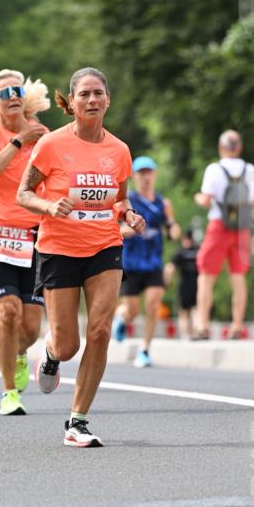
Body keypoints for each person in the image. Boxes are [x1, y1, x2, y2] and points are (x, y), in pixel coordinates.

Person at [17, 66, 145, 447]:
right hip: (58, 249)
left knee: (101, 330)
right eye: (84, 94)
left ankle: (77, 421)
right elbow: (23, 193)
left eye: (98, 94)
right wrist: (47, 205)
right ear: (70, 103)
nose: (92, 100)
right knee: (69, 343)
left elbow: (119, 197)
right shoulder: (52, 145)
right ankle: (52, 354)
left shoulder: (119, 150)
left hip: (105, 246)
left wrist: (128, 213)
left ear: (108, 100)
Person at [0, 69, 49, 416]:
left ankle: (19, 355)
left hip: (35, 236)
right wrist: (20, 141)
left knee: (30, 327)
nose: (13, 96)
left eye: (18, 89)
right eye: (5, 92)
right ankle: (8, 393)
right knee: (7, 312)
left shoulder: (42, 134)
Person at [194, 129, 254, 339]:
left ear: (221, 148)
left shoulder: (214, 169)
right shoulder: (251, 170)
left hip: (218, 226)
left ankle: (203, 326)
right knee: (238, 277)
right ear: (239, 148)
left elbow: (206, 201)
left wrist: (198, 197)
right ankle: (236, 326)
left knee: (206, 277)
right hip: (242, 228)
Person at [112, 156, 180, 367]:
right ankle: (122, 319)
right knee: (132, 309)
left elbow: (171, 227)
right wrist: (128, 230)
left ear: (154, 175)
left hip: (153, 263)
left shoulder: (163, 203)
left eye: (149, 173)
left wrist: (174, 231)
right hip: (131, 263)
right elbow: (116, 230)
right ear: (135, 177)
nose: (146, 177)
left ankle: (144, 350)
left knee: (153, 305)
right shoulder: (128, 201)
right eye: (141, 173)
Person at [165, 228, 200, 340]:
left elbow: (170, 268)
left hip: (184, 286)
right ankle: (196, 331)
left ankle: (185, 335)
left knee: (183, 312)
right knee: (195, 310)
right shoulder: (198, 251)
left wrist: (167, 281)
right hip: (197, 285)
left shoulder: (180, 252)